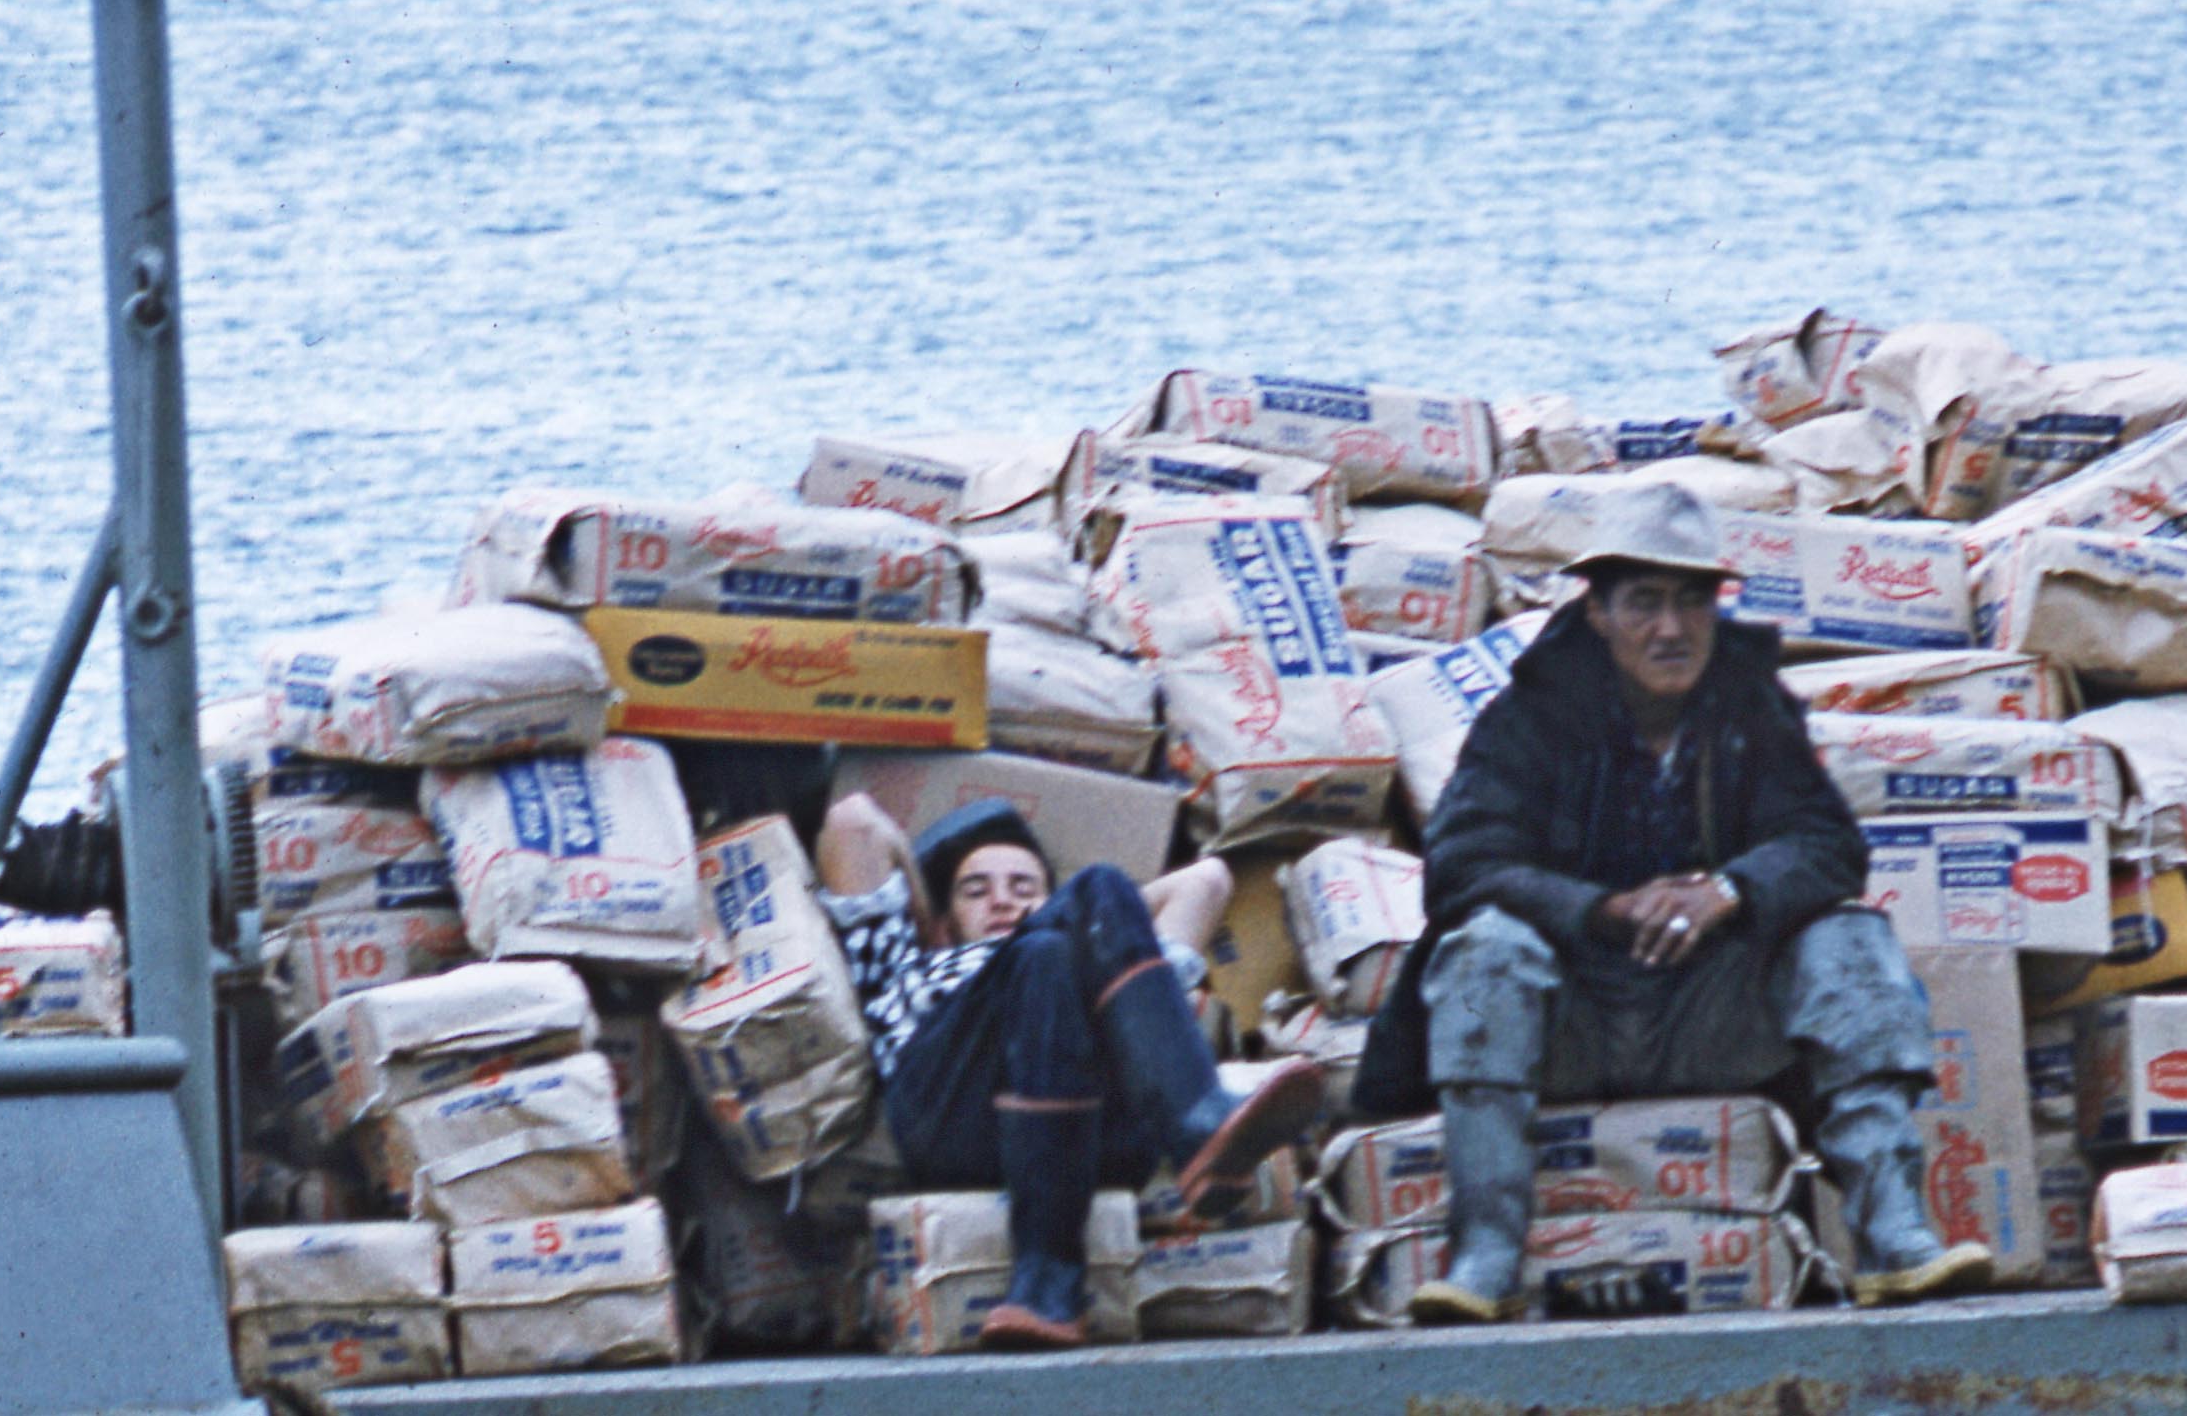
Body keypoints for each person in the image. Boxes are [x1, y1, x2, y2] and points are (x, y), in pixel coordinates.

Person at [1350, 482, 1996, 1323]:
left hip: (1709, 1018)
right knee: (1483, 950)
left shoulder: (1753, 708)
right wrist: (1601, 911)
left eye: (1690, 602)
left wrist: (1729, 891)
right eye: (1645, 603)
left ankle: (1894, 1233)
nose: (1670, 628)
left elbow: (1830, 847)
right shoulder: (1525, 720)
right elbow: (1462, 867)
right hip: (1565, 1025)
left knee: (1849, 937)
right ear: (1598, 614)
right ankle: (1485, 1253)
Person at [818, 790, 1322, 1347]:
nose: (1003, 901)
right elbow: (853, 818)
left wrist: (1085, 924)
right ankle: (1196, 1126)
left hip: (1091, 1135)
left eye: (1024, 888)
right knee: (1070, 920)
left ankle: (1048, 1290)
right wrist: (922, 906)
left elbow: (1206, 881)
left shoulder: (1104, 967)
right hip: (948, 1122)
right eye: (975, 890)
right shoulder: (907, 967)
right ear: (943, 920)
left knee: (1050, 955)